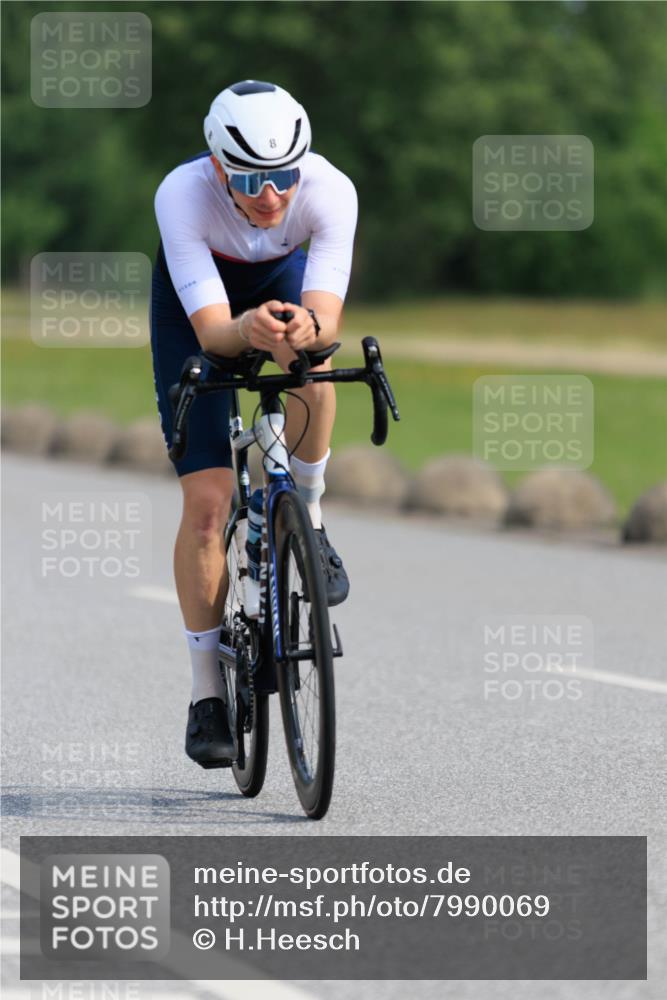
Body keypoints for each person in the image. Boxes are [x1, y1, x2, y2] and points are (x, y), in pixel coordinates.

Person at [150, 80, 358, 768]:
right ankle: (206, 692)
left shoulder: (330, 190)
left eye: (283, 177)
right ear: (217, 167)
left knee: (314, 362)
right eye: (248, 179)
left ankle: (313, 522)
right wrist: (246, 329)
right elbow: (213, 333)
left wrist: (306, 327)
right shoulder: (181, 193)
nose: (270, 196)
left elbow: (327, 313)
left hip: (279, 284)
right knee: (208, 507)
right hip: (199, 316)